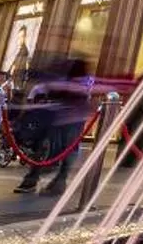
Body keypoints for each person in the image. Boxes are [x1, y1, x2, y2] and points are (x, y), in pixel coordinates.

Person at [15, 59, 93, 196]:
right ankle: (49, 179)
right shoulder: (78, 84)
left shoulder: (74, 84)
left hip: (64, 120)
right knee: (56, 149)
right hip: (64, 120)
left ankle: (37, 179)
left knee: (48, 149)